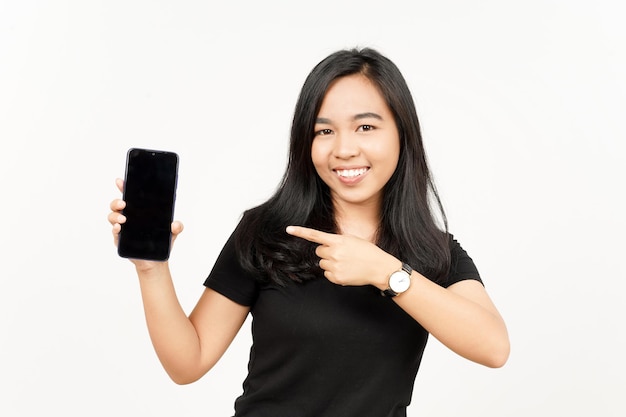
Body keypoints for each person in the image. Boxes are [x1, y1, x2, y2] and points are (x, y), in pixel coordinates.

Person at [108, 47, 509, 417]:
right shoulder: (265, 231)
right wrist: (150, 269)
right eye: (324, 131)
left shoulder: (429, 251)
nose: (345, 149)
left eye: (366, 127)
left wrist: (386, 273)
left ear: (402, 134)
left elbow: (493, 347)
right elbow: (187, 362)